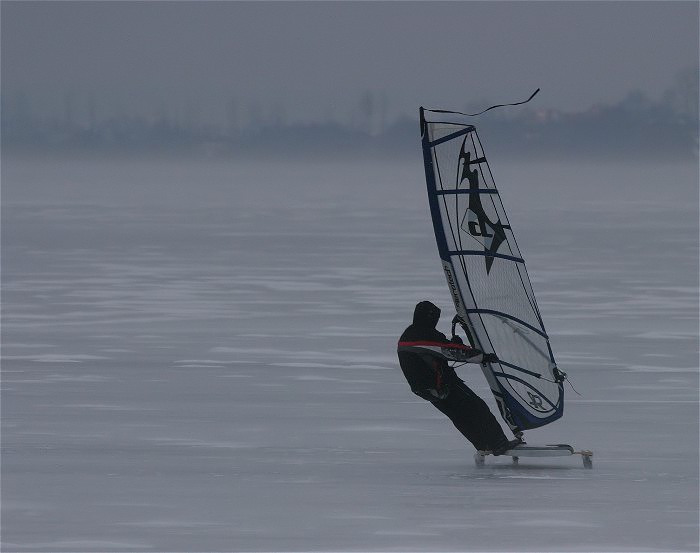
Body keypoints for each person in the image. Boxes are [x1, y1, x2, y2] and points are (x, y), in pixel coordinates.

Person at [397, 300, 521, 455]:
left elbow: (438, 350)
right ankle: (498, 443)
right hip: (442, 386)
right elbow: (449, 350)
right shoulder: (422, 334)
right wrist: (482, 357)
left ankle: (483, 445)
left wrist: (455, 344)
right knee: (477, 408)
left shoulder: (409, 334)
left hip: (426, 390)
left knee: (460, 417)